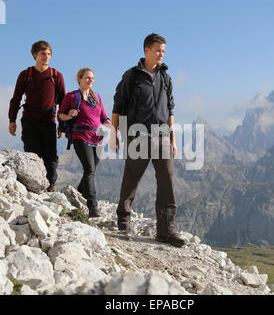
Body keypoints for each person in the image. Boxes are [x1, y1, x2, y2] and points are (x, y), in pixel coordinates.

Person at [109, 33, 186, 247]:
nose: (161, 54)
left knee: (167, 181)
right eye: (158, 50)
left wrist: (172, 138)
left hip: (161, 135)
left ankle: (166, 230)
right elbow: (118, 104)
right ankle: (123, 218)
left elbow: (170, 108)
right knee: (132, 178)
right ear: (146, 50)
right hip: (137, 134)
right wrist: (114, 133)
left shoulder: (165, 77)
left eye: (163, 51)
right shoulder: (131, 76)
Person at [8, 40, 66, 192]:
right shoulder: (25, 75)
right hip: (29, 120)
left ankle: (51, 185)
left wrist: (63, 126)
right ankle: (32, 187)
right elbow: (16, 99)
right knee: (32, 154)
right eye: (43, 53)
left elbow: (63, 103)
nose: (46, 56)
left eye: (48, 54)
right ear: (35, 55)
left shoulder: (56, 76)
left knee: (51, 156)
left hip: (48, 120)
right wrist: (12, 120)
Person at [58, 68, 112, 218]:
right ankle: (93, 207)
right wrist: (68, 116)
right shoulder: (71, 97)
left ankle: (77, 195)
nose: (90, 80)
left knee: (92, 170)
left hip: (97, 137)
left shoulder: (97, 97)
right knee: (89, 169)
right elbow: (60, 115)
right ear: (79, 79)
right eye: (87, 78)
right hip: (80, 136)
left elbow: (103, 117)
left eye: (92, 78)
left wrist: (111, 125)